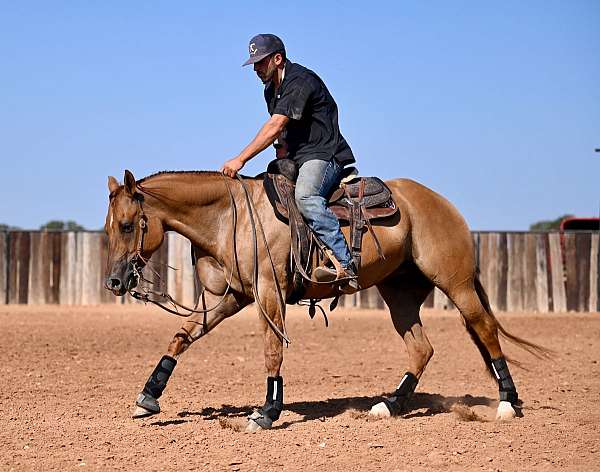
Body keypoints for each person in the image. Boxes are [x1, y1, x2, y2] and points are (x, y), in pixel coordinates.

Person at [221, 33, 357, 288]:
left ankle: (346, 263)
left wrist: (241, 159)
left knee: (305, 197)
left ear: (278, 58)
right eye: (254, 64)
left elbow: (275, 125)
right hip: (299, 156)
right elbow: (283, 133)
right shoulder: (271, 90)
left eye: (261, 62)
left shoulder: (300, 81)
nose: (257, 69)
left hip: (324, 154)